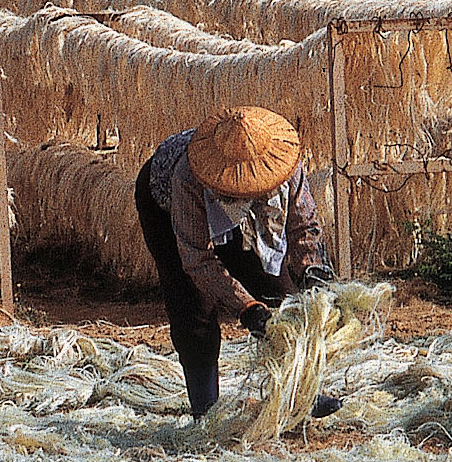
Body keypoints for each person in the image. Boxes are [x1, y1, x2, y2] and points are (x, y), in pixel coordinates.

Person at [135, 106, 340, 419]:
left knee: (280, 295)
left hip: (234, 211)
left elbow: (302, 225)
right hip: (167, 209)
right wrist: (247, 308)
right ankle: (206, 412)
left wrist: (312, 270)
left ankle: (303, 393)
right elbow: (198, 260)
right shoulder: (187, 178)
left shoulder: (285, 161)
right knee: (194, 307)